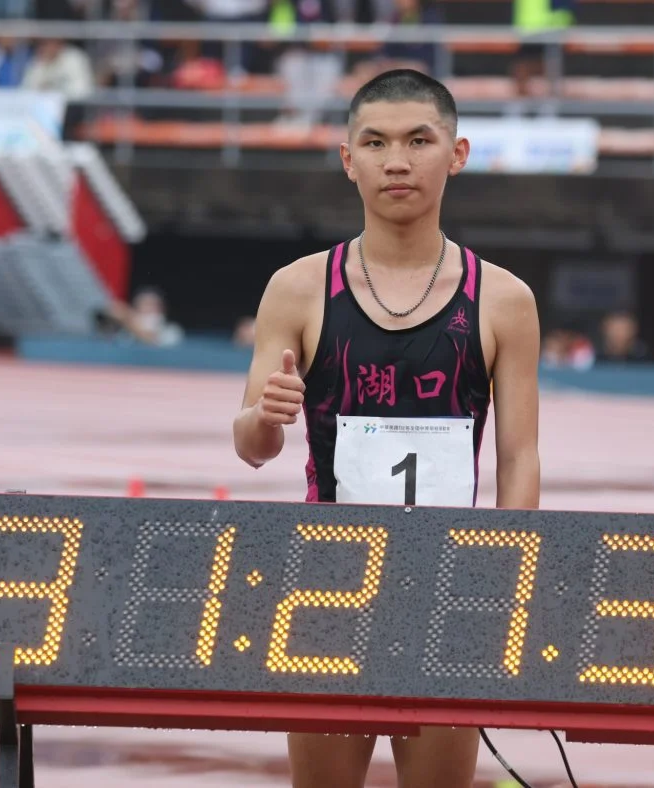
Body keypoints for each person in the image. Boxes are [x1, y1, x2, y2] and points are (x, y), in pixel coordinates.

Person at [232, 69, 541, 788]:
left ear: (456, 155)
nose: (396, 161)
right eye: (375, 143)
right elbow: (251, 448)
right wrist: (266, 415)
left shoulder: (504, 300)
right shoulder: (298, 288)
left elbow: (519, 457)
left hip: (448, 592)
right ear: (349, 160)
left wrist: (502, 580)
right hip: (325, 588)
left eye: (418, 141)